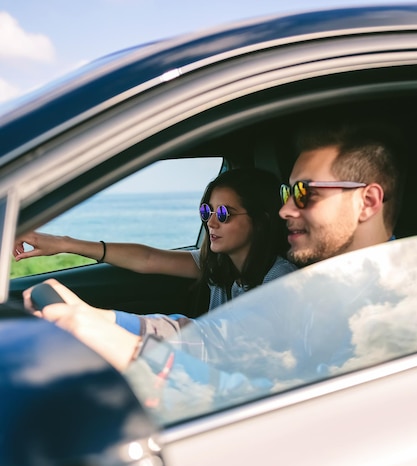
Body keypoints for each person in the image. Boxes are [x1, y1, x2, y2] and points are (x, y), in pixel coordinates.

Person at [23, 121, 405, 390]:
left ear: (367, 201)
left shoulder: (389, 316)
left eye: (305, 193)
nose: (287, 209)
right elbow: (217, 338)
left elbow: (264, 398)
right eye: (288, 194)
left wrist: (129, 351)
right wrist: (98, 319)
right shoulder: (322, 286)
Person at [15, 168, 296, 335]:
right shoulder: (219, 266)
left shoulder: (279, 281)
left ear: (261, 221)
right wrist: (64, 244)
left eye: (224, 214)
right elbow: (147, 259)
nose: (210, 222)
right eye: (206, 211)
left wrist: (101, 320)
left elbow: (218, 341)